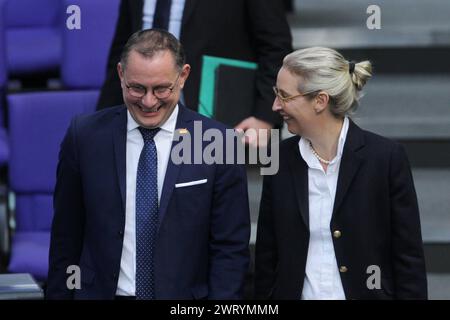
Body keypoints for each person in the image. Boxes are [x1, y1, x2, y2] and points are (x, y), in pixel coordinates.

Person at [47, 29, 250, 300]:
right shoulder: (83, 137)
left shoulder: (218, 142)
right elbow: (66, 240)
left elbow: (230, 249)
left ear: (184, 76)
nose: (149, 101)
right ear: (120, 75)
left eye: (161, 89)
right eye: (137, 88)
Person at [254, 47, 427, 300]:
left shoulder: (385, 158)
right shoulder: (278, 159)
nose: (275, 105)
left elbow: (408, 258)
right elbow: (267, 258)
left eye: (284, 96)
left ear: (320, 101)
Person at [97, 0, 293, 147]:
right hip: (144, 118)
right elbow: (123, 50)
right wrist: (103, 120)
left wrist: (265, 116)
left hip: (220, 122)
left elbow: (275, 46)